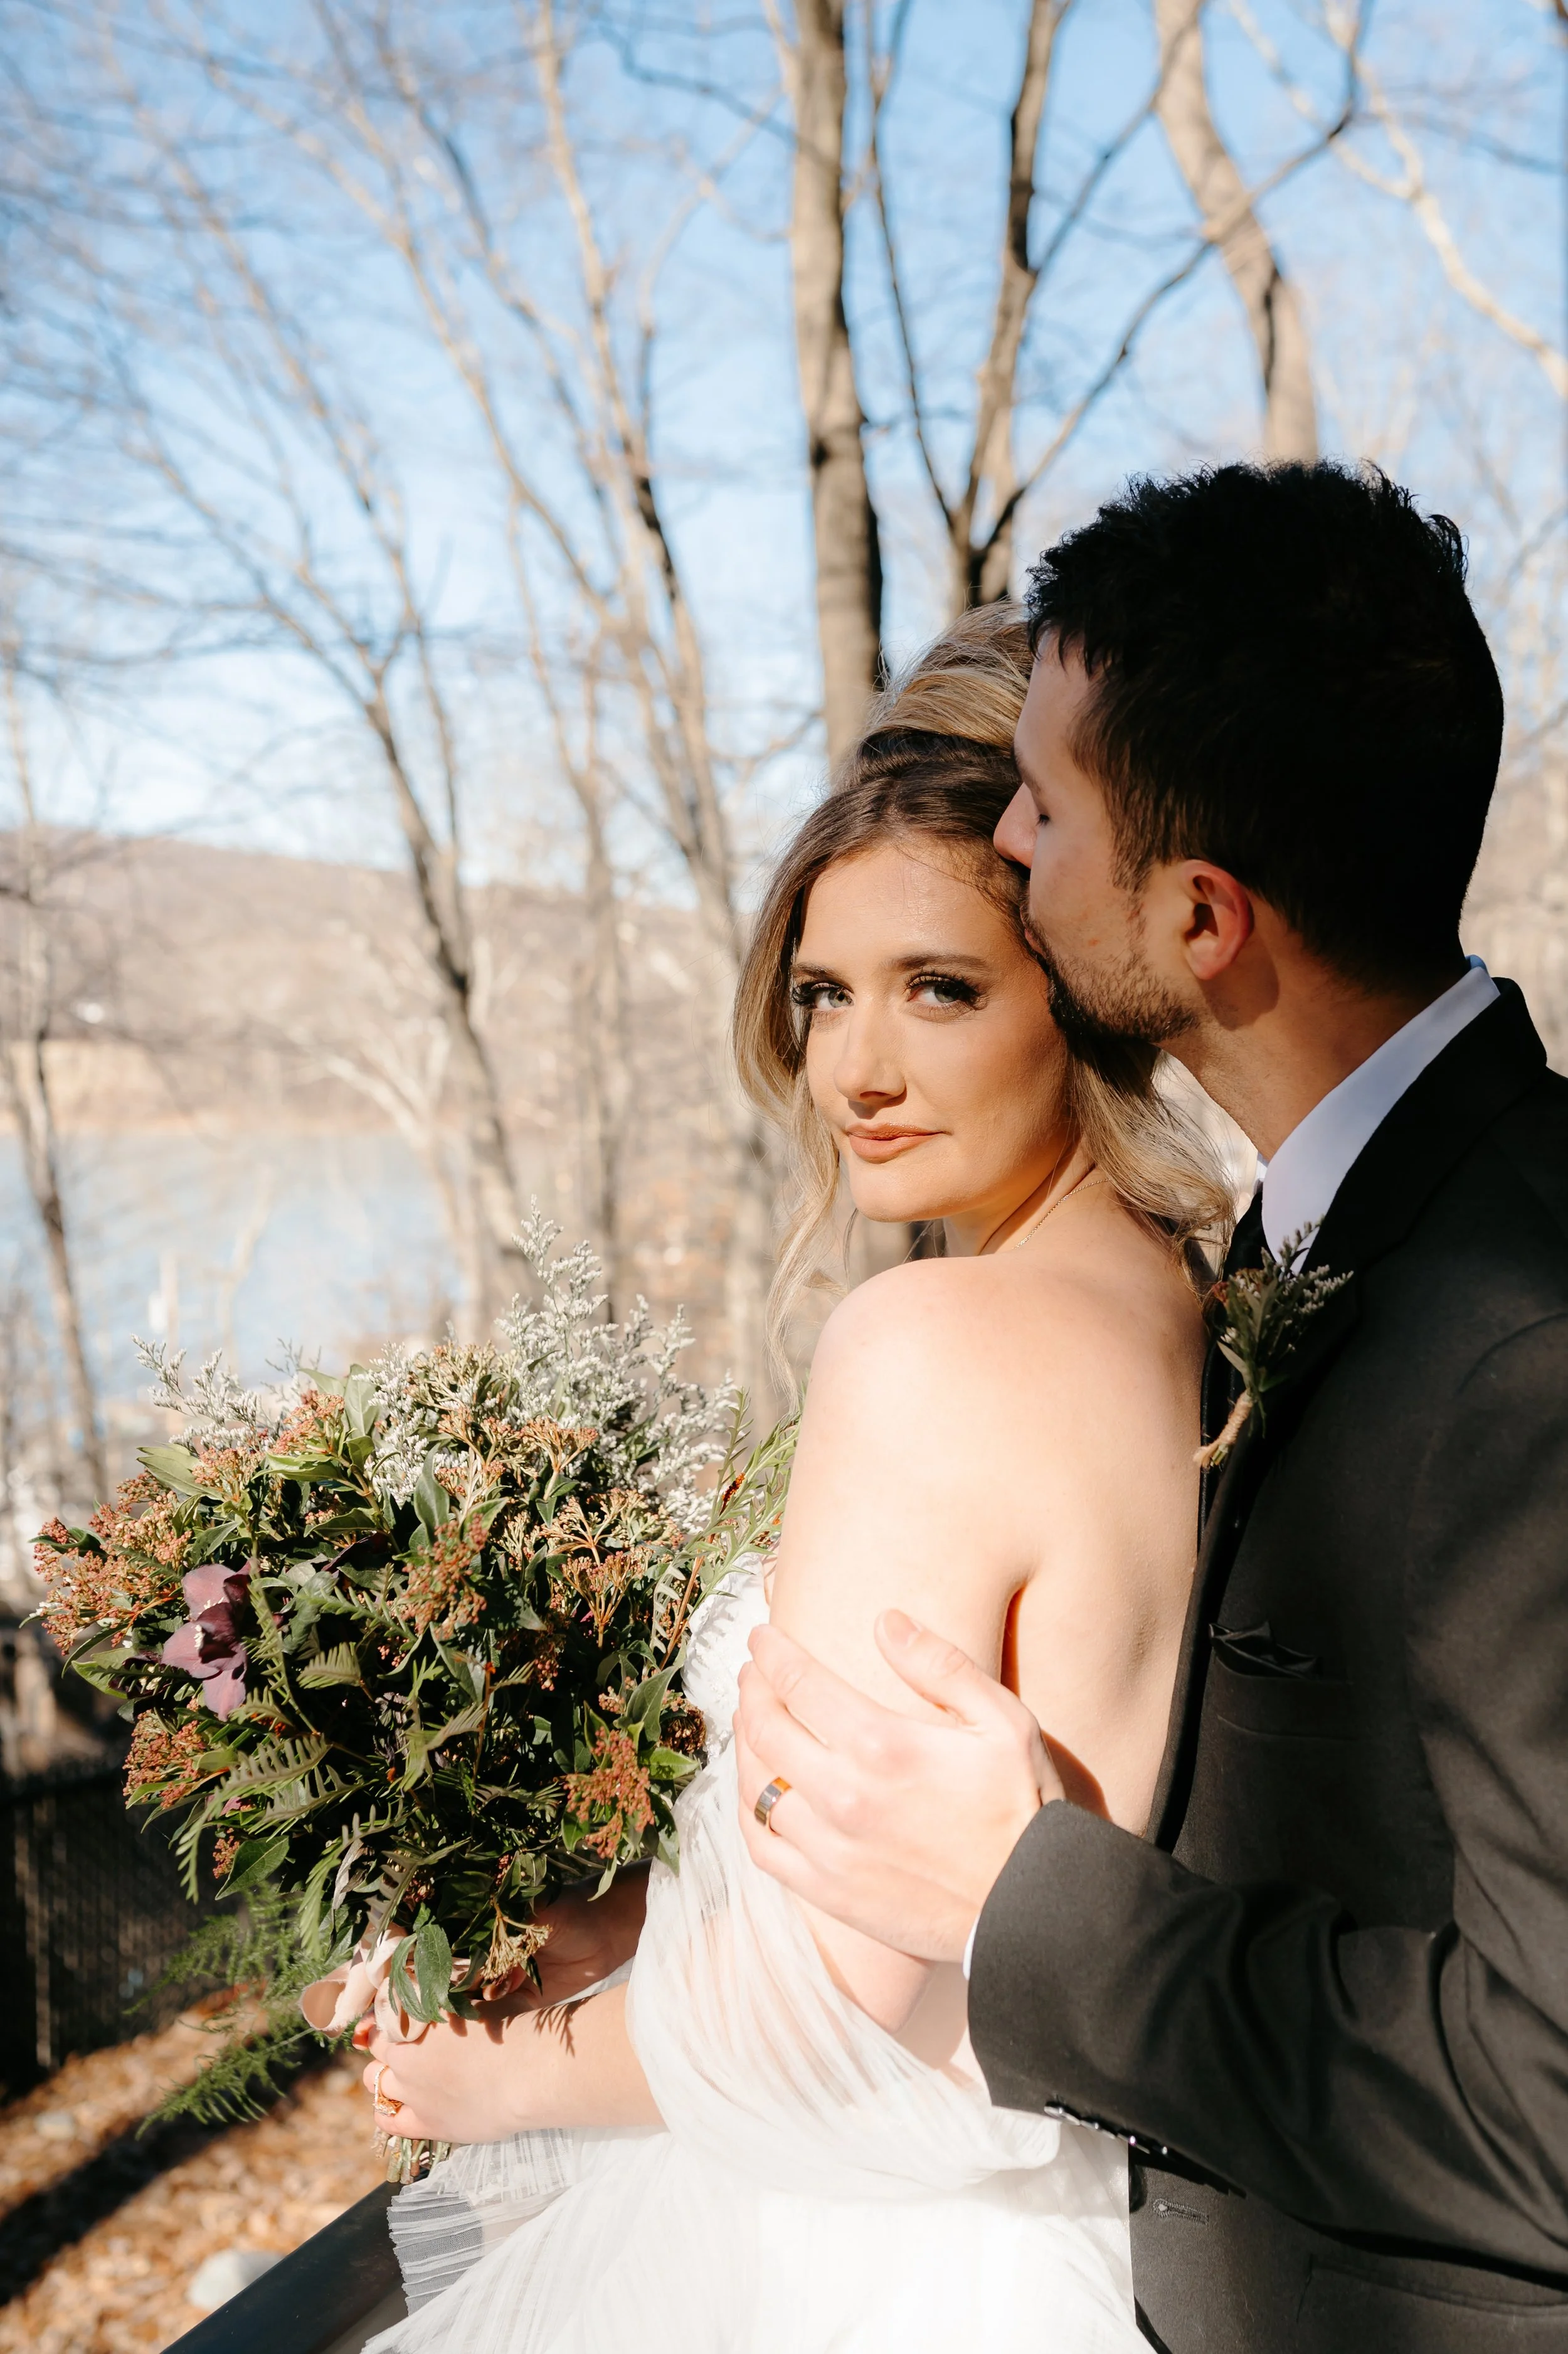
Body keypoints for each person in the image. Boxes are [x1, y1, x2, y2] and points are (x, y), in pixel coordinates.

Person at [735, 461, 1568, 2353]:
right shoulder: (1335, 1249)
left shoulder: (1521, 1339)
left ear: (1200, 921)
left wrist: (1034, 1905)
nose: (1005, 844)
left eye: (1045, 803)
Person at [356, 604, 1231, 2354]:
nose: (855, 1069)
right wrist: (606, 1927)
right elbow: (921, 1899)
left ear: (1077, 990)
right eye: (823, 995)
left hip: (865, 2268)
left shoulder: (932, 1343)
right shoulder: (1184, 1307)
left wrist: (500, 2073)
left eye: (941, 988)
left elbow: (826, 2026)